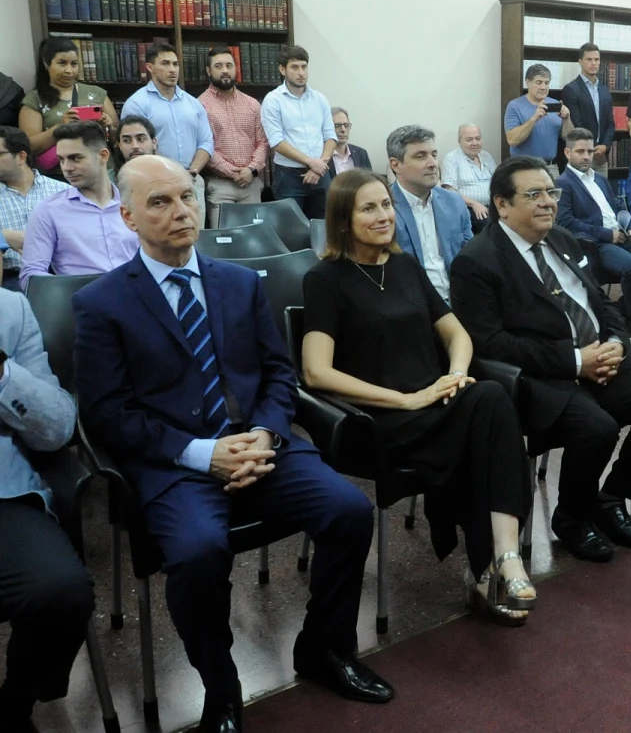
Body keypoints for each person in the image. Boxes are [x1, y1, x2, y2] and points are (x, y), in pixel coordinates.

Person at [73, 155, 394, 732]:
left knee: (349, 511)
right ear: (127, 216)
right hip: (176, 463)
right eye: (159, 202)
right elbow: (107, 415)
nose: (180, 212)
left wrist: (265, 435)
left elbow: (278, 374)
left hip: (261, 443)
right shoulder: (102, 304)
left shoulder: (239, 283)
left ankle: (323, 649)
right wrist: (204, 454)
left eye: (187, 198)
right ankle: (221, 687)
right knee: (197, 554)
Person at [301, 168, 534, 624]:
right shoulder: (325, 279)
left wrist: (455, 375)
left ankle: (502, 559)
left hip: (435, 403)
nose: (384, 214)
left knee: (485, 400)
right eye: (369, 208)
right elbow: (315, 371)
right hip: (379, 418)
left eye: (386, 204)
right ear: (343, 221)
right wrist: (406, 399)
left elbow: (457, 334)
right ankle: (489, 567)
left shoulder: (403, 266)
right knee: (485, 427)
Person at [451, 155, 631, 563]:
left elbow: (598, 300)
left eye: (551, 192)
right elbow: (492, 344)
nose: (547, 202)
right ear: (502, 205)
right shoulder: (477, 261)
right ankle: (572, 517)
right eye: (534, 194)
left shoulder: (562, 239)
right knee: (597, 428)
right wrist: (575, 361)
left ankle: (611, 497)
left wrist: (617, 339)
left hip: (601, 356)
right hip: (543, 376)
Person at [0, 287, 95, 731]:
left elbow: (58, 428)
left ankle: (15, 704)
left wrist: (3, 375)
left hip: (4, 494)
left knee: (62, 591)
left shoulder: (11, 310)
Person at [556, 128, 631, 335]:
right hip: (597, 242)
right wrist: (607, 234)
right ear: (567, 153)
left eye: (590, 152)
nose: (586, 157)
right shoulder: (563, 183)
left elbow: (618, 207)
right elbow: (566, 222)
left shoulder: (600, 179)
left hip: (624, 235)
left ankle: (621, 308)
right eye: (580, 151)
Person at [19, 121, 137, 291]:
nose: (67, 168)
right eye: (61, 160)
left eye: (75, 158)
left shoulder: (133, 203)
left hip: (136, 299)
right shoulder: (48, 211)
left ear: (103, 156)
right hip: (81, 306)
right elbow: (32, 274)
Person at [120, 43, 214, 220]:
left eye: (175, 64)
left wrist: (192, 172)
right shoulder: (137, 104)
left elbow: (206, 142)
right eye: (165, 64)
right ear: (150, 67)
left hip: (191, 180)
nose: (172, 70)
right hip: (153, 184)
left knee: (195, 236)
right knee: (161, 238)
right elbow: (134, 148)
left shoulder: (193, 103)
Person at [387, 126, 471, 304]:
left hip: (461, 299)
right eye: (420, 156)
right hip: (412, 305)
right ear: (396, 165)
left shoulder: (454, 202)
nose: (432, 163)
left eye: (434, 154)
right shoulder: (385, 208)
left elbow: (470, 255)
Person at [18, 36, 117, 180]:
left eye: (74, 64)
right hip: (60, 176)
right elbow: (28, 146)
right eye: (62, 63)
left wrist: (108, 127)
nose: (69, 70)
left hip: (101, 172)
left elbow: (118, 138)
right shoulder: (34, 100)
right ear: (47, 63)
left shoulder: (97, 93)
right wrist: (59, 127)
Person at [261, 46, 336, 218]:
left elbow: (330, 136)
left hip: (321, 174)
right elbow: (277, 142)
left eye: (304, 66)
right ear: (282, 69)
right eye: (294, 67)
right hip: (289, 177)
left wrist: (319, 166)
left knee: (324, 229)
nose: (301, 72)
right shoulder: (273, 100)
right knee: (291, 232)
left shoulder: (319, 98)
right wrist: (311, 162)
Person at [199, 47, 269, 224]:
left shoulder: (252, 104)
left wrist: (251, 169)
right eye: (218, 66)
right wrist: (234, 173)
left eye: (229, 65)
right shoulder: (199, 105)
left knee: (254, 241)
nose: (224, 70)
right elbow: (204, 146)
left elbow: (262, 141)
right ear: (209, 71)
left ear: (235, 69)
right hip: (220, 186)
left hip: (251, 184)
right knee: (224, 242)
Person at [0, 126, 69, 290]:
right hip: (8, 279)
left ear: (21, 157)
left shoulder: (62, 191)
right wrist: (3, 237)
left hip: (58, 276)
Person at [505, 64, 574, 177]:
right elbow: (512, 140)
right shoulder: (514, 106)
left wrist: (567, 119)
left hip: (550, 168)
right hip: (523, 168)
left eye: (546, 83)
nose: (543, 87)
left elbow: (569, 137)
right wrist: (534, 118)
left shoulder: (554, 103)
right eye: (539, 82)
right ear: (528, 82)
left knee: (554, 195)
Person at [560, 43, 615, 177]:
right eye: (589, 59)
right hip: (582, 155)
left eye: (596, 60)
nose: (593, 63)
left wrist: (605, 146)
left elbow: (610, 123)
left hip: (601, 156)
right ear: (580, 62)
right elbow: (576, 125)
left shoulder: (604, 90)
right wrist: (592, 148)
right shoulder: (571, 89)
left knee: (601, 194)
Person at [440, 123, 495, 233]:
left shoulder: (486, 156)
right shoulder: (452, 159)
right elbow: (449, 191)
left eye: (478, 139)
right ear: (460, 141)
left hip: (492, 206)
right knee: (490, 226)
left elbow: (499, 182)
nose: (474, 143)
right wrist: (474, 204)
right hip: (468, 208)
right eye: (469, 139)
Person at [328, 107, 372, 178]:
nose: (343, 130)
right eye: (337, 126)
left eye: (346, 125)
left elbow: (370, 183)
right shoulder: (321, 155)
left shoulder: (361, 154)